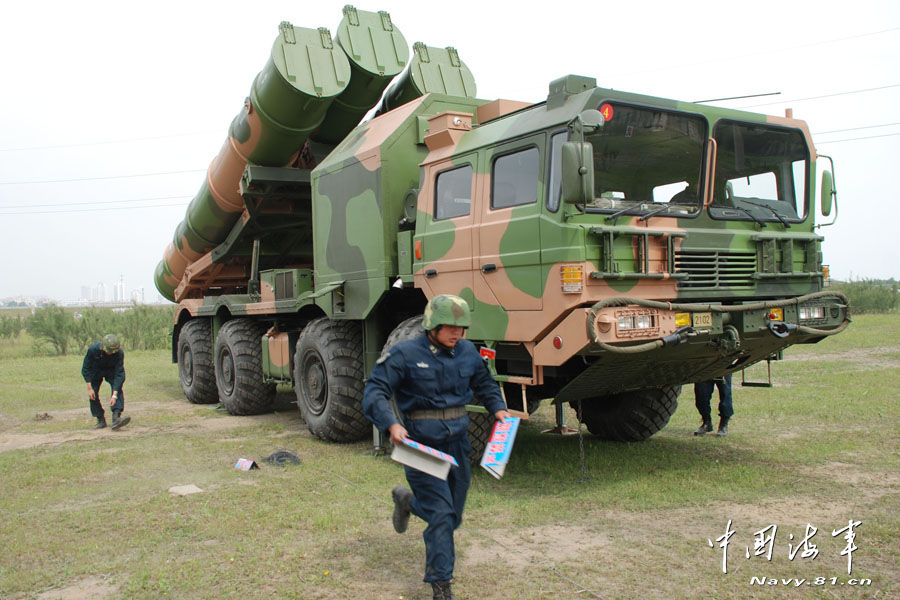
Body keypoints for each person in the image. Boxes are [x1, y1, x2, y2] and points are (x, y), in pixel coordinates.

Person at [362, 294, 510, 600]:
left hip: (458, 445)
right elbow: (374, 392)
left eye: (462, 328)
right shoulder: (404, 354)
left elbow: (485, 383)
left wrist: (498, 409)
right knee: (441, 516)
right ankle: (441, 585)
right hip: (420, 446)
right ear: (432, 325)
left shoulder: (468, 352)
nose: (457, 333)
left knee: (453, 515)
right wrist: (391, 424)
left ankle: (407, 502)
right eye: (450, 327)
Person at [82, 333, 130, 430]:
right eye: (109, 351)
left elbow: (119, 374)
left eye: (113, 352)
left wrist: (114, 395)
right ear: (103, 346)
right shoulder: (93, 350)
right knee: (93, 394)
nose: (111, 353)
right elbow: (86, 369)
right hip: (96, 370)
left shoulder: (119, 354)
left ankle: (116, 418)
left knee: (118, 389)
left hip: (111, 370)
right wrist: (89, 388)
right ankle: (100, 419)